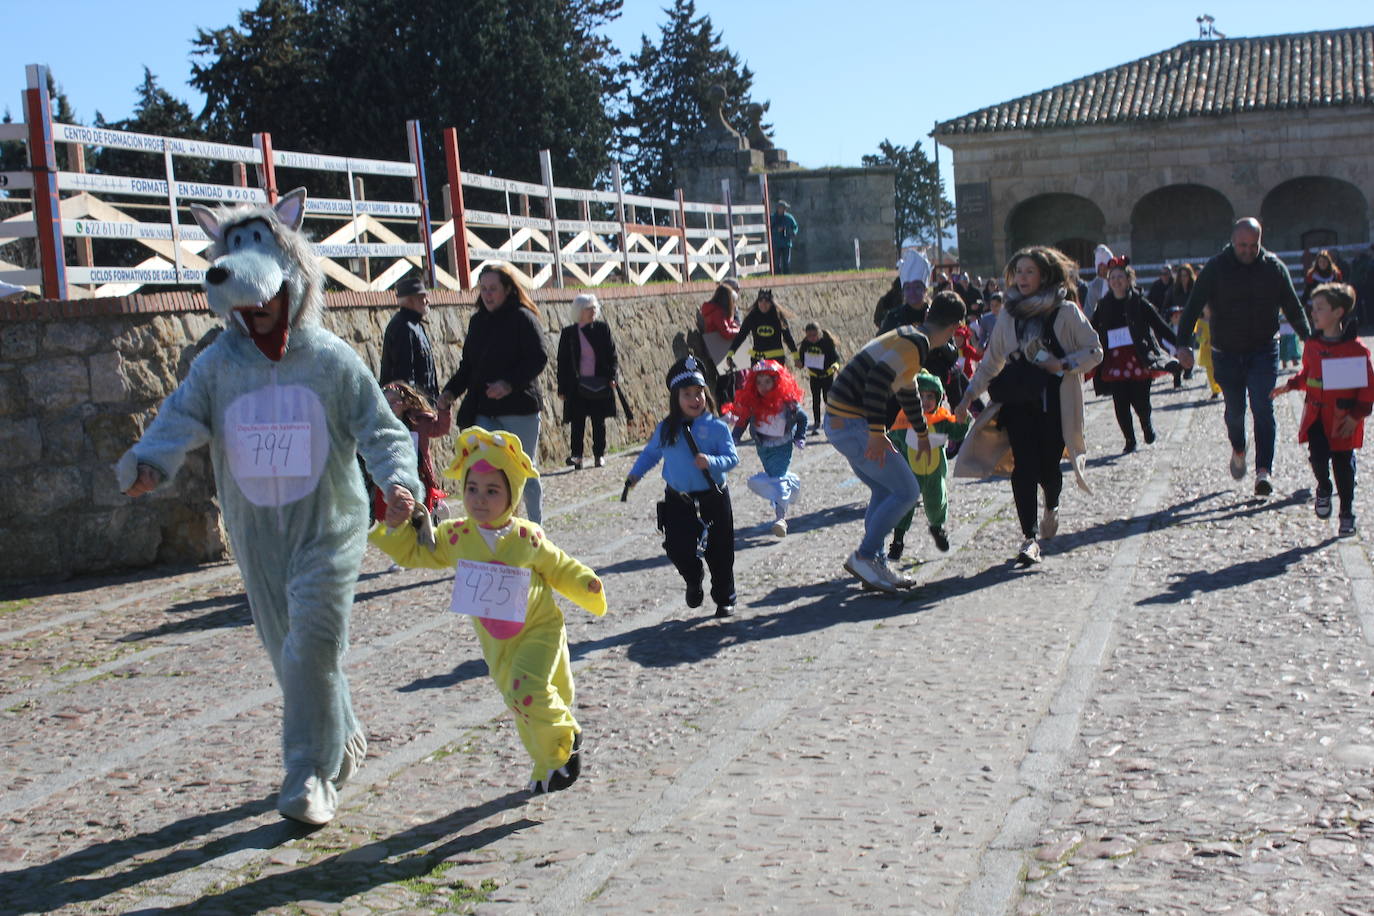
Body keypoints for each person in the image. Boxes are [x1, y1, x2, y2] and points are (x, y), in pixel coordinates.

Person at [120, 190, 421, 825]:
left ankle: (307, 772)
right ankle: (342, 735)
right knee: (292, 652)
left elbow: (383, 430)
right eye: (246, 309)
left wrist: (400, 484)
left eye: (266, 300)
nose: (256, 315)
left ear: (293, 279)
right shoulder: (218, 366)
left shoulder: (332, 362)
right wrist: (150, 462)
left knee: (313, 638)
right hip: (257, 536)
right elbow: (179, 417)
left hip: (329, 528)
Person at [370, 426, 607, 794]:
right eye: (472, 489)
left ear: (511, 494)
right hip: (497, 644)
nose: (480, 499)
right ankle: (549, 763)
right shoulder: (455, 536)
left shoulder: (527, 537)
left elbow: (559, 565)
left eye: (492, 490)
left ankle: (566, 735)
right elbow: (416, 553)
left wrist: (585, 582)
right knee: (519, 704)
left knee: (526, 689)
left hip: (539, 629)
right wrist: (396, 527)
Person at [954, 246, 1103, 567]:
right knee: (1023, 468)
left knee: (1048, 468)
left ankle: (1052, 505)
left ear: (1044, 275)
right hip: (1018, 400)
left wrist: (1061, 364)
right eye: (1018, 272)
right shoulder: (1008, 313)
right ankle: (1029, 538)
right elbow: (992, 360)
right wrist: (968, 397)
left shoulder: (1065, 312)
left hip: (1055, 402)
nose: (1022, 278)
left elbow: (1095, 350)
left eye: (1029, 272)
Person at [825, 292, 966, 592]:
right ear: (953, 328)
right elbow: (878, 381)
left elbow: (906, 389)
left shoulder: (909, 336)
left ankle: (873, 565)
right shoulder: (914, 344)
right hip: (852, 424)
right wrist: (877, 434)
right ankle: (865, 556)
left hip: (842, 422)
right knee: (907, 490)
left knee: (886, 488)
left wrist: (923, 433)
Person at [1177, 218, 1312, 496]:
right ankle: (1239, 447)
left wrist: (1311, 342)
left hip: (1263, 349)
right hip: (1226, 352)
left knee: (1263, 406)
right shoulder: (1215, 268)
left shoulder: (1273, 267)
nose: (1249, 251)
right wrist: (1183, 345)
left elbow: (1293, 307)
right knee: (1235, 412)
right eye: (1243, 246)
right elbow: (1192, 308)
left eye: (1254, 245)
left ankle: (1264, 471)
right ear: (1232, 241)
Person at [625, 357, 740, 617]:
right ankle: (693, 576)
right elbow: (651, 454)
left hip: (714, 498)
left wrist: (711, 461)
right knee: (677, 548)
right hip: (679, 500)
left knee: (721, 551)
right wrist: (635, 475)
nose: (694, 399)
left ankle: (725, 598)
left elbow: (733, 459)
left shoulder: (717, 427)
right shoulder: (667, 429)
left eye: (698, 393)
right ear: (676, 398)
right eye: (687, 394)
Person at [439, 263, 549, 522]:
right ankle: (487, 526)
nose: (487, 294)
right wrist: (450, 392)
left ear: (508, 289)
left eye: (493, 289)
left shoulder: (523, 317)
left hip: (519, 408)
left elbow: (538, 358)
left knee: (523, 470)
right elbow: (468, 367)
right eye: (483, 289)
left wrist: (508, 384)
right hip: (484, 409)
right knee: (481, 468)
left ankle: (536, 529)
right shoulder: (477, 321)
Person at [1270, 283, 1373, 537]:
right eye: (1312, 308)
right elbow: (1310, 374)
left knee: (1343, 464)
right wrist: (1292, 385)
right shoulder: (1313, 345)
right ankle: (1323, 488)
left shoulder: (1356, 350)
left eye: (1319, 308)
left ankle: (1347, 512)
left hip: (1342, 419)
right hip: (1316, 415)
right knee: (1317, 457)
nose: (1313, 313)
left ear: (1338, 312)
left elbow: (1367, 389)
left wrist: (1355, 416)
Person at [1090, 259, 1178, 453]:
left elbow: (1159, 325)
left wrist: (1179, 344)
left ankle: (1146, 424)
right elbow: (1091, 329)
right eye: (1112, 278)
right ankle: (1129, 439)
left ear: (1129, 280)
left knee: (1141, 400)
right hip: (1114, 361)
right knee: (1120, 403)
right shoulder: (1103, 305)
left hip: (1138, 358)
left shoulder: (1139, 302)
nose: (1116, 281)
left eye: (1120, 277)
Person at [886, 371, 969, 560]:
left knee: (937, 502)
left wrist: (964, 420)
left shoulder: (942, 419)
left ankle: (937, 528)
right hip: (910, 473)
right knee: (905, 506)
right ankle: (898, 541)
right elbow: (893, 439)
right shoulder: (904, 419)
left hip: (934, 472)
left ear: (939, 398)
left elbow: (957, 433)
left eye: (930, 396)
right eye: (920, 396)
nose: (925, 401)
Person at [727, 359, 808, 537]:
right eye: (759, 382)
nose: (763, 386)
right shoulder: (753, 403)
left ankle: (781, 518)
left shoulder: (788, 404)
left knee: (777, 478)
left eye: (767, 381)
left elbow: (803, 418)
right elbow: (743, 421)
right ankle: (790, 485)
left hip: (783, 445)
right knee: (774, 477)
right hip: (763, 447)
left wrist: (800, 436)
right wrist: (735, 438)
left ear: (777, 382)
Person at [556, 293, 618, 470]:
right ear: (579, 311)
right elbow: (563, 361)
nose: (593, 311)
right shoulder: (569, 333)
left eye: (594, 308)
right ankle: (577, 457)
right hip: (576, 385)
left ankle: (599, 455)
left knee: (599, 421)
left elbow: (612, 356)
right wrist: (562, 387)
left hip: (599, 382)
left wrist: (613, 377)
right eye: (588, 308)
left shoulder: (602, 329)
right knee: (577, 422)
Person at [375, 381, 451, 524]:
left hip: (419, 475)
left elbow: (441, 428)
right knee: (394, 516)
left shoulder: (420, 422)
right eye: (385, 402)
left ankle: (433, 511)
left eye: (394, 401)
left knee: (420, 514)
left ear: (405, 403)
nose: (389, 405)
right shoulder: (380, 426)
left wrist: (443, 409)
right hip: (392, 477)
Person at [379, 274, 439, 403]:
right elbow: (404, 376)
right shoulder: (403, 328)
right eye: (423, 297)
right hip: (413, 411)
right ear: (410, 301)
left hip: (423, 406)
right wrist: (416, 407)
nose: (428, 300)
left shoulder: (414, 325)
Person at [724, 288, 798, 366]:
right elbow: (741, 336)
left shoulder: (778, 317)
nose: (763, 304)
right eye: (760, 301)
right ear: (757, 302)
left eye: (766, 301)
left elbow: (788, 338)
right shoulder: (752, 317)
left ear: (771, 303)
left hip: (776, 360)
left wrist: (796, 357)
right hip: (757, 360)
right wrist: (730, 354)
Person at [697, 282, 742, 405]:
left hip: (718, 348)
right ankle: (723, 407)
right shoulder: (717, 312)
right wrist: (740, 331)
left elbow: (727, 326)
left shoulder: (714, 310)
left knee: (730, 378)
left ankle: (731, 406)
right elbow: (726, 332)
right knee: (725, 380)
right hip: (719, 348)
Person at [798, 322, 840, 432]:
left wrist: (835, 366)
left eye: (814, 335)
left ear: (819, 333)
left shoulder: (827, 342)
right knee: (815, 399)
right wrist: (799, 364)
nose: (811, 338)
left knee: (828, 399)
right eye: (809, 336)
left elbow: (836, 359)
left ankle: (832, 421)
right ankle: (817, 422)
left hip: (827, 376)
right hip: (814, 376)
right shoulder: (805, 344)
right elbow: (802, 359)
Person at [771, 200, 799, 274]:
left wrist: (792, 232)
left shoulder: (789, 218)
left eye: (784, 208)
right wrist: (776, 230)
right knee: (777, 263)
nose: (783, 209)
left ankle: (787, 276)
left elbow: (795, 227)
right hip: (776, 243)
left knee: (786, 262)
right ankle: (777, 276)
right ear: (778, 208)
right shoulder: (772, 218)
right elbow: (769, 228)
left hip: (786, 243)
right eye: (782, 208)